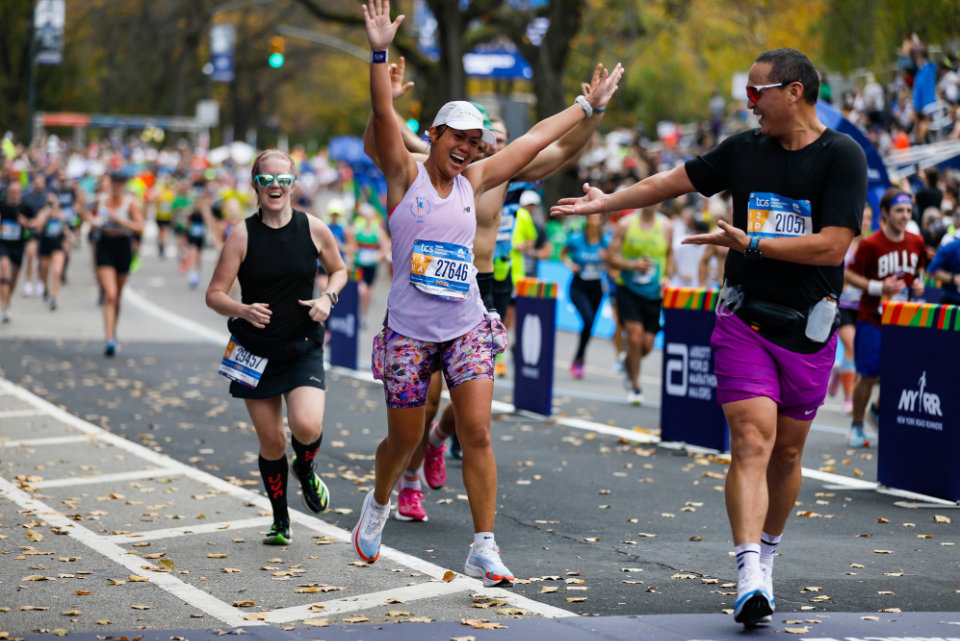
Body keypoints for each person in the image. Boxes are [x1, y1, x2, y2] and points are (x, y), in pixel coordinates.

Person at [552, 48, 866, 627]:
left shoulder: (842, 156)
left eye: (757, 91)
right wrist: (609, 203)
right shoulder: (744, 151)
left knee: (788, 452)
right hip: (743, 319)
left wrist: (750, 243)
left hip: (809, 328)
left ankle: (768, 555)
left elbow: (831, 246)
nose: (748, 103)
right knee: (751, 439)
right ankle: (749, 572)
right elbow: (671, 182)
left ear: (794, 91)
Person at [354, 0, 619, 586]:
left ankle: (483, 545)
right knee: (405, 437)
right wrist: (377, 51)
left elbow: (532, 140)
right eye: (459, 137)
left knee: (476, 432)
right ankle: (377, 502)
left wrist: (584, 107)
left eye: (475, 141)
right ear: (435, 135)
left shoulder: (478, 178)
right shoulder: (406, 175)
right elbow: (379, 111)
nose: (468, 148)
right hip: (409, 331)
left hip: (467, 324)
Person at [205, 149, 347, 546]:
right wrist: (242, 309)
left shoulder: (314, 228)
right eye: (267, 179)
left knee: (306, 426)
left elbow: (339, 270)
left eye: (283, 180)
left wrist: (327, 299)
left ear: (294, 184)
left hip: (302, 345)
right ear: (255, 184)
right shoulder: (242, 235)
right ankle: (280, 519)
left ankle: (306, 468)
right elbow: (214, 294)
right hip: (254, 351)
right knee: (272, 442)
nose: (275, 187)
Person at [845, 188, 925, 447]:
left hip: (904, 319)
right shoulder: (871, 244)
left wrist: (919, 284)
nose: (904, 216)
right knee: (868, 373)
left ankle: (877, 411)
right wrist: (879, 288)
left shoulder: (916, 242)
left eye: (908, 211)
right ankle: (856, 424)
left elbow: (919, 271)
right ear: (885, 213)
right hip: (873, 316)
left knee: (903, 371)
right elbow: (850, 275)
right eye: (899, 211)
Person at [605, 204, 672, 405]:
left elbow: (670, 253)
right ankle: (635, 385)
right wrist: (633, 265)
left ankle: (627, 362)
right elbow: (611, 256)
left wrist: (668, 274)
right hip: (628, 289)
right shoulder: (626, 224)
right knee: (634, 337)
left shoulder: (667, 226)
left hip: (654, 293)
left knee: (646, 346)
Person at [84, 172, 145, 356]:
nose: (116, 187)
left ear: (124, 185)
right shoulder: (100, 200)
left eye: (120, 184)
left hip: (123, 247)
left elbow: (140, 227)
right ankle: (109, 339)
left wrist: (120, 220)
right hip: (104, 245)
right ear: (109, 184)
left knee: (117, 296)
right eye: (114, 183)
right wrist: (93, 222)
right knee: (110, 294)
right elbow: (87, 213)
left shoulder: (130, 203)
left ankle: (113, 331)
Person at [830, 204, 873, 414]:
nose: (864, 222)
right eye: (862, 217)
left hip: (864, 306)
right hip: (843, 305)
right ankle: (849, 399)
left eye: (868, 218)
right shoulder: (843, 243)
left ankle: (840, 373)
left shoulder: (872, 246)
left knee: (858, 353)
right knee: (851, 347)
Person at [561, 213, 609, 378]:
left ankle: (579, 358)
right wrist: (570, 264)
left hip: (596, 287)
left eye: (598, 218)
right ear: (587, 220)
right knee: (587, 320)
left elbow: (613, 260)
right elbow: (563, 253)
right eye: (592, 218)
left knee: (590, 326)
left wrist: (608, 260)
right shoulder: (576, 239)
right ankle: (579, 358)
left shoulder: (605, 241)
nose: (595, 221)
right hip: (578, 286)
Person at [347, 201, 390, 325]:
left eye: (370, 215)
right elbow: (351, 243)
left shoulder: (377, 230)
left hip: (371, 266)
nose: (367, 217)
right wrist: (351, 256)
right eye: (365, 215)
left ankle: (363, 316)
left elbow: (386, 246)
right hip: (359, 265)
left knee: (368, 293)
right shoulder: (357, 227)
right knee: (362, 290)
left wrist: (378, 256)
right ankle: (355, 314)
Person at [0, 182, 37, 323]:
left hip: (18, 245)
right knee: (4, 270)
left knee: (14, 276)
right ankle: (4, 308)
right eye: (12, 191)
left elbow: (34, 226)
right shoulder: (2, 205)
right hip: (3, 243)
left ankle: (7, 298)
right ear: (8, 192)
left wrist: (26, 223)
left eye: (17, 191)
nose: (14, 194)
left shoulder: (25, 207)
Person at [36, 193, 71, 310]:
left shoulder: (60, 214)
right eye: (49, 203)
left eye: (53, 202)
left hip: (57, 245)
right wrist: (46, 216)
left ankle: (53, 297)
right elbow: (38, 228)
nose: (52, 205)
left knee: (57, 271)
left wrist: (69, 240)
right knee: (44, 269)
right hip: (45, 244)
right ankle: (45, 288)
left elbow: (66, 230)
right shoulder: (43, 213)